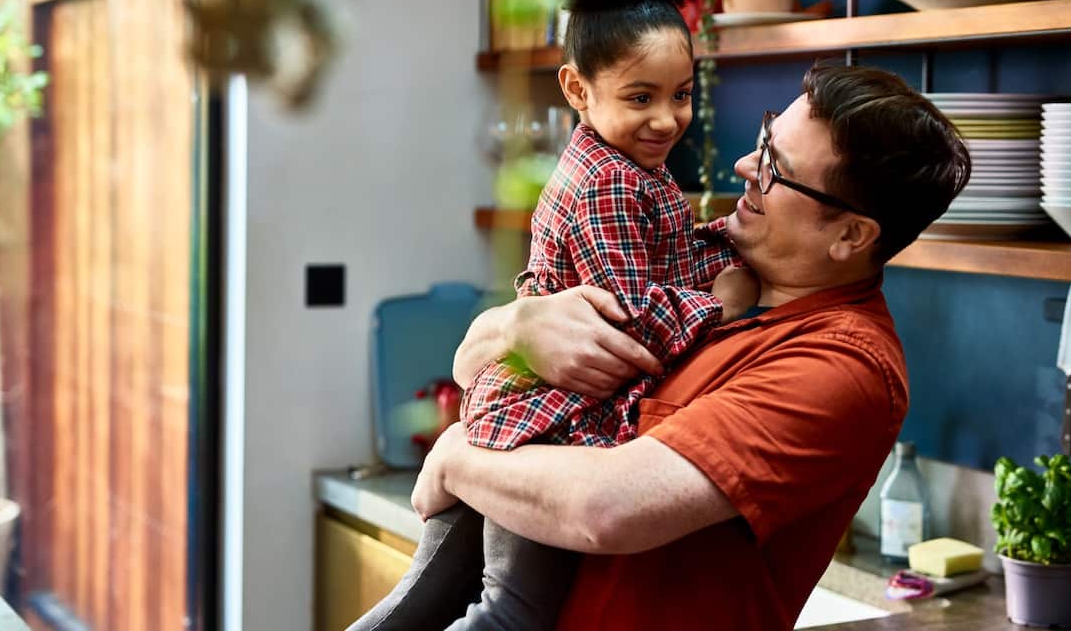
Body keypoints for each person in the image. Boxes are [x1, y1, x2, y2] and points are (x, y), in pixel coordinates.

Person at [410, 61, 971, 630]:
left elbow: (605, 510)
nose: (746, 166)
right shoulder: (706, 263)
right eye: (764, 140)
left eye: (778, 167)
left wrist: (457, 456)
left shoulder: (843, 366)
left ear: (851, 235)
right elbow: (467, 363)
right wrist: (514, 327)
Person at [349, 0, 759, 630]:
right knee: (513, 616)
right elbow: (630, 315)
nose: (668, 119)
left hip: (517, 419)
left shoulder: (634, 170)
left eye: (682, 95)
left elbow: (667, 258)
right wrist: (721, 304)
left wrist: (725, 246)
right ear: (577, 87)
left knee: (423, 604)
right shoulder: (608, 183)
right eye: (641, 97)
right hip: (545, 432)